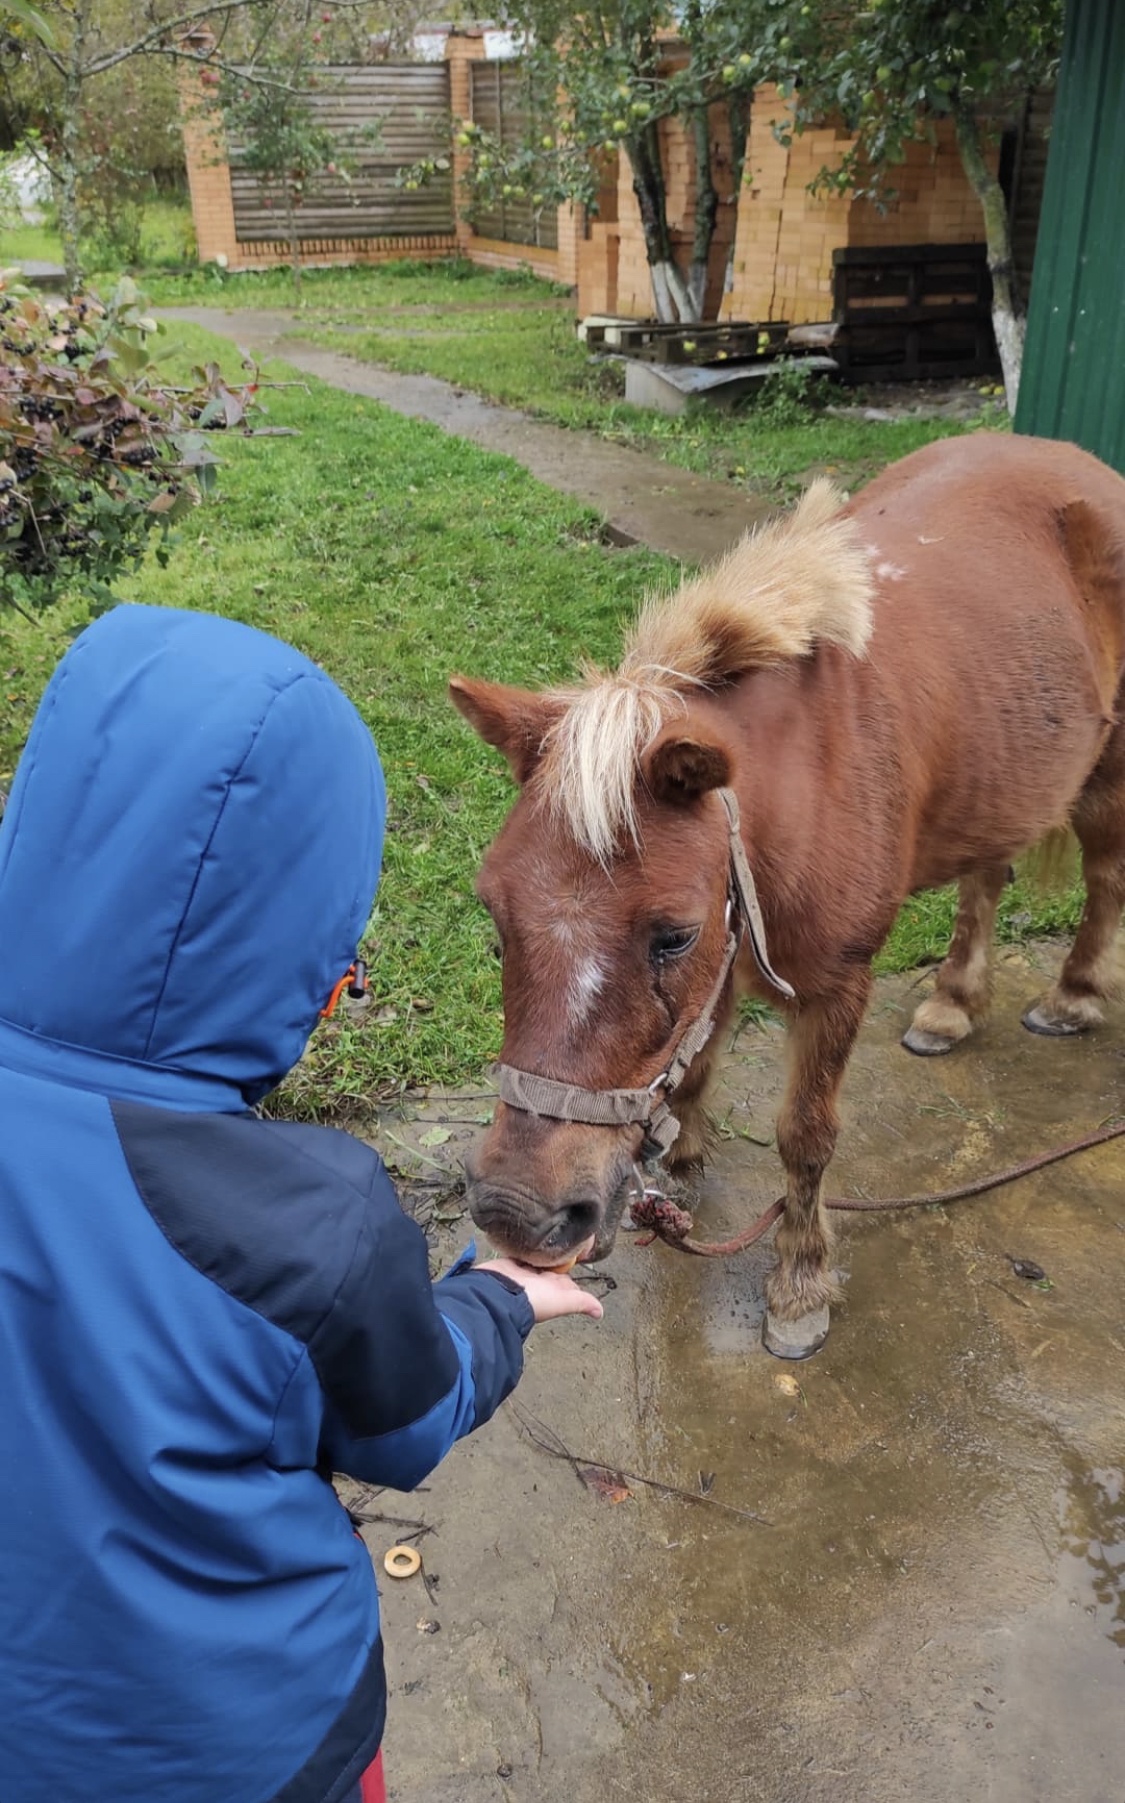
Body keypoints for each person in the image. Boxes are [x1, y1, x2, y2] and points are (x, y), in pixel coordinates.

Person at [0, 604, 603, 1803]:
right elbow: (402, 1424)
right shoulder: (308, 1224)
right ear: (309, 959)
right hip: (245, 1752)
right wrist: (499, 1303)